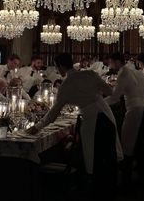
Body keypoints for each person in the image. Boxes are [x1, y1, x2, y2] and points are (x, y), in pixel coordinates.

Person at [28, 53, 122, 195]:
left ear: (60, 67)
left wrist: (37, 127)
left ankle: (97, 191)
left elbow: (53, 113)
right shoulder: (90, 74)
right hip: (106, 115)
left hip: (92, 120)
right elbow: (109, 91)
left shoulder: (66, 85)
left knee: (95, 158)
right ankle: (110, 190)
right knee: (108, 156)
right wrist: (95, 93)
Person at [105, 52, 144, 190]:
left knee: (127, 148)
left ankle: (126, 184)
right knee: (140, 148)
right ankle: (143, 181)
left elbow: (114, 98)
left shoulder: (123, 73)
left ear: (117, 62)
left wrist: (98, 103)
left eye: (111, 62)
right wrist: (139, 95)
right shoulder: (136, 71)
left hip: (135, 112)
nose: (109, 65)